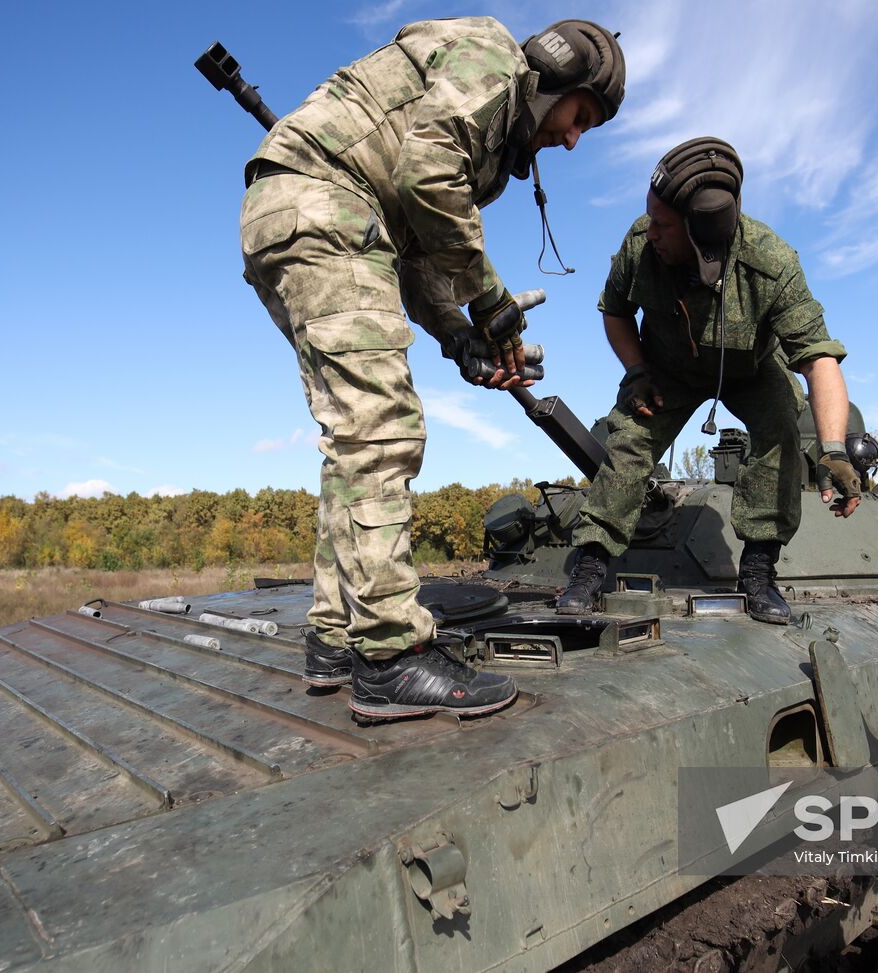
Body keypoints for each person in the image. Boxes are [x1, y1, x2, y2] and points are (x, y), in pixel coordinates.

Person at [239, 18, 625, 721]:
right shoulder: (493, 62)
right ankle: (390, 656)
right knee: (381, 428)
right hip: (326, 206)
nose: (572, 138)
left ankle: (334, 634)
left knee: (351, 440)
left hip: (302, 213)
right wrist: (492, 301)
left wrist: (460, 336)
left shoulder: (480, 114)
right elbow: (425, 177)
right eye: (580, 117)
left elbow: (418, 252)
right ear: (556, 81)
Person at [554, 137, 863, 624]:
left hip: (752, 370)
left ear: (703, 235)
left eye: (663, 224)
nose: (649, 231)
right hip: (667, 369)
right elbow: (615, 312)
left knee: (782, 427)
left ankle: (759, 571)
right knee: (630, 438)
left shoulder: (772, 264)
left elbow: (819, 359)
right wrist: (636, 372)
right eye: (649, 217)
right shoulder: (640, 246)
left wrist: (834, 451)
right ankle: (590, 568)